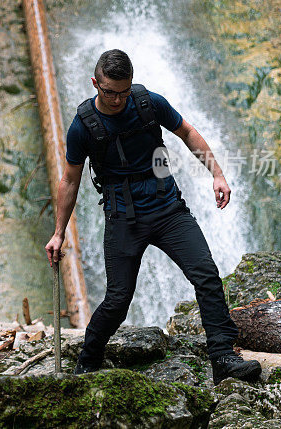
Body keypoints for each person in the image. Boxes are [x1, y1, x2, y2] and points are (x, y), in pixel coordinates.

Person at [44, 49, 261, 385]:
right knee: (118, 299)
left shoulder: (148, 103)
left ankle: (222, 357)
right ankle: (88, 361)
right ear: (95, 84)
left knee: (206, 275)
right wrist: (59, 232)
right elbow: (69, 179)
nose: (117, 99)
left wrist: (216, 173)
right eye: (109, 92)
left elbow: (187, 132)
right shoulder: (82, 126)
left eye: (123, 91)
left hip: (167, 208)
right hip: (123, 219)